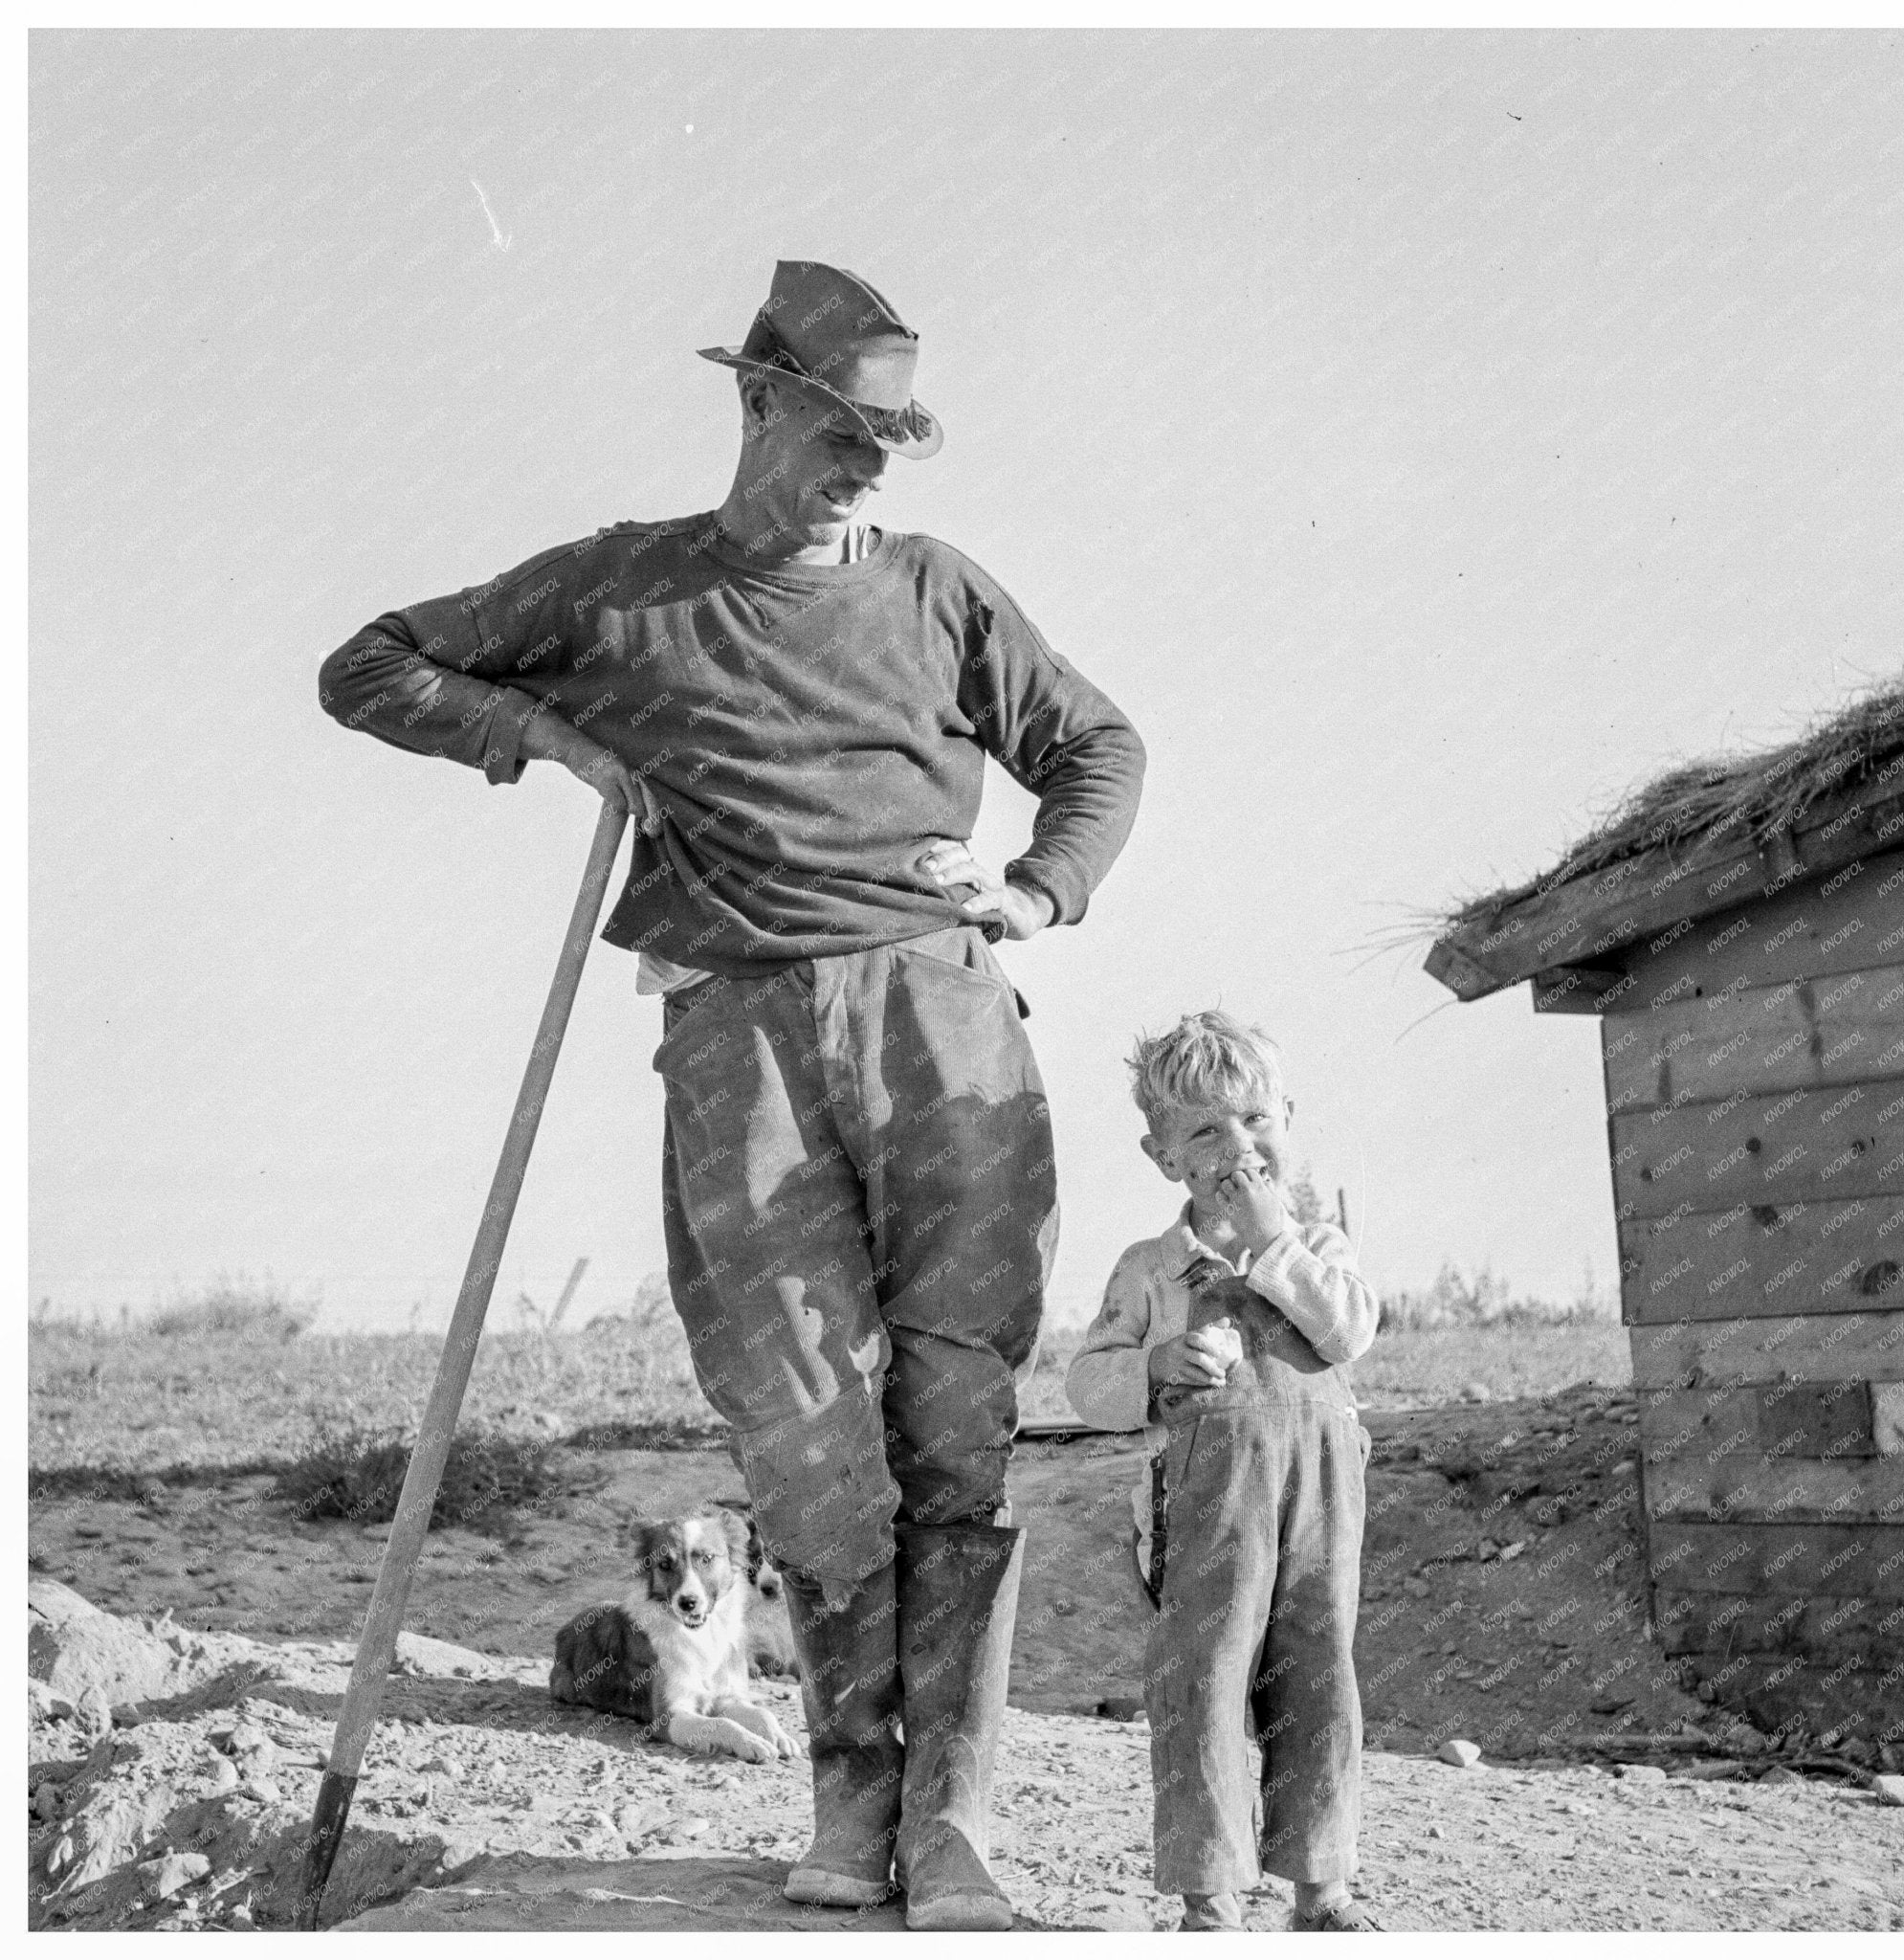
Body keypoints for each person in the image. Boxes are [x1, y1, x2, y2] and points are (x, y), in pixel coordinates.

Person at [319, 260, 1146, 1930]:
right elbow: (371, 663)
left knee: (956, 1426)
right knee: (806, 1434)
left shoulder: (937, 590)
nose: (867, 466)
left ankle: (954, 1819)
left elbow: (1098, 747)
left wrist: (1036, 891)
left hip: (942, 1019)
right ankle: (850, 1803)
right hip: (736, 1037)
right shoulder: (623, 589)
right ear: (757, 403)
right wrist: (552, 738)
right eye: (842, 430)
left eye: (889, 439)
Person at [1065, 1011, 1381, 1932]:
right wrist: (1152, 1369)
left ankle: (1322, 1891)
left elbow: (1348, 1331)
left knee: (1319, 1674)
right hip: (1208, 1507)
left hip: (1321, 1500)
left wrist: (1275, 1240)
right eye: (1205, 1131)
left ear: (1288, 1117)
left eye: (1256, 1122)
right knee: (1201, 1678)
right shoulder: (1154, 1269)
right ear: (1164, 1157)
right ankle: (1210, 1898)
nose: (1238, 1148)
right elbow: (1088, 1380)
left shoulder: (1318, 1247)